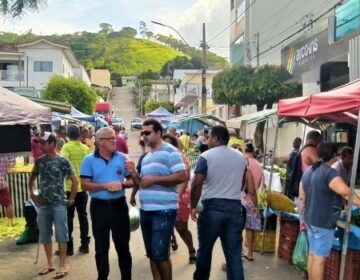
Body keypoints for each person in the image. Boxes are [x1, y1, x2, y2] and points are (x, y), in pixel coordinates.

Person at [191, 125, 254, 280]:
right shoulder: (240, 157)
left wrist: (193, 206)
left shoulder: (205, 156)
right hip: (234, 209)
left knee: (204, 252)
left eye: (209, 137)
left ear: (216, 138)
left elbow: (196, 183)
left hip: (211, 209)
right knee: (233, 255)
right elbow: (241, 182)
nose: (207, 140)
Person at [125, 119, 186, 280]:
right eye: (142, 133)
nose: (144, 136)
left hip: (164, 210)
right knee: (152, 254)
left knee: (161, 255)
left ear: (158, 133)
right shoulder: (146, 157)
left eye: (147, 132)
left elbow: (182, 176)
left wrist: (155, 180)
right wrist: (133, 172)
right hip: (146, 211)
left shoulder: (171, 151)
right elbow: (142, 183)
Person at [299, 142, 360, 280]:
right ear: (334, 156)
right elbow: (346, 193)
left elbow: (302, 197)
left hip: (310, 219)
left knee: (313, 255)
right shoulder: (329, 173)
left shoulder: (309, 171)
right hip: (322, 222)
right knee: (319, 260)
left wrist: (303, 216)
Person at [80, 127, 133, 280]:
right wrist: (105, 185)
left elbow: (132, 181)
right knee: (101, 248)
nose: (114, 141)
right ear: (99, 142)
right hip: (99, 207)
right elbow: (84, 185)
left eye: (115, 138)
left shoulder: (122, 157)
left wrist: (122, 185)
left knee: (123, 247)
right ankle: (102, 277)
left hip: (119, 206)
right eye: (110, 139)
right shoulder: (89, 160)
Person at [28, 132, 78, 279]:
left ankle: (63, 264)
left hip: (58, 203)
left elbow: (74, 181)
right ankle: (50, 263)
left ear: (52, 144)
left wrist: (72, 198)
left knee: (62, 235)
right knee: (45, 234)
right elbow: (31, 179)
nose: (41, 145)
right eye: (40, 143)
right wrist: (32, 194)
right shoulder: (39, 161)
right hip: (44, 204)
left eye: (44, 143)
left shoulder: (63, 160)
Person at [162, 133, 196, 264]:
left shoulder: (182, 158)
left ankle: (191, 249)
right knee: (164, 225)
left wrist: (178, 195)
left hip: (180, 197)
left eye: (169, 143)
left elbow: (185, 178)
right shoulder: (159, 157)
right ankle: (170, 241)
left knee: (181, 227)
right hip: (163, 197)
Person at [60, 125, 91, 255]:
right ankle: (85, 245)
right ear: (79, 134)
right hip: (83, 188)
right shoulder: (85, 148)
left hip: (69, 188)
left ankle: (69, 247)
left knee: (69, 217)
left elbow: (62, 162)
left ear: (67, 135)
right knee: (83, 216)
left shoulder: (66, 147)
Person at [241, 143, 262, 261]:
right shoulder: (259, 165)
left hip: (242, 199)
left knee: (237, 228)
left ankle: (238, 251)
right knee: (250, 228)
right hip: (252, 201)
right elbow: (257, 185)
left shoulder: (243, 162)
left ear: (245, 151)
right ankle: (250, 253)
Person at [0, 155, 15, 224]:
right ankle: (10, 223)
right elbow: (10, 166)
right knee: (8, 204)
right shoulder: (5, 156)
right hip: (1, 183)